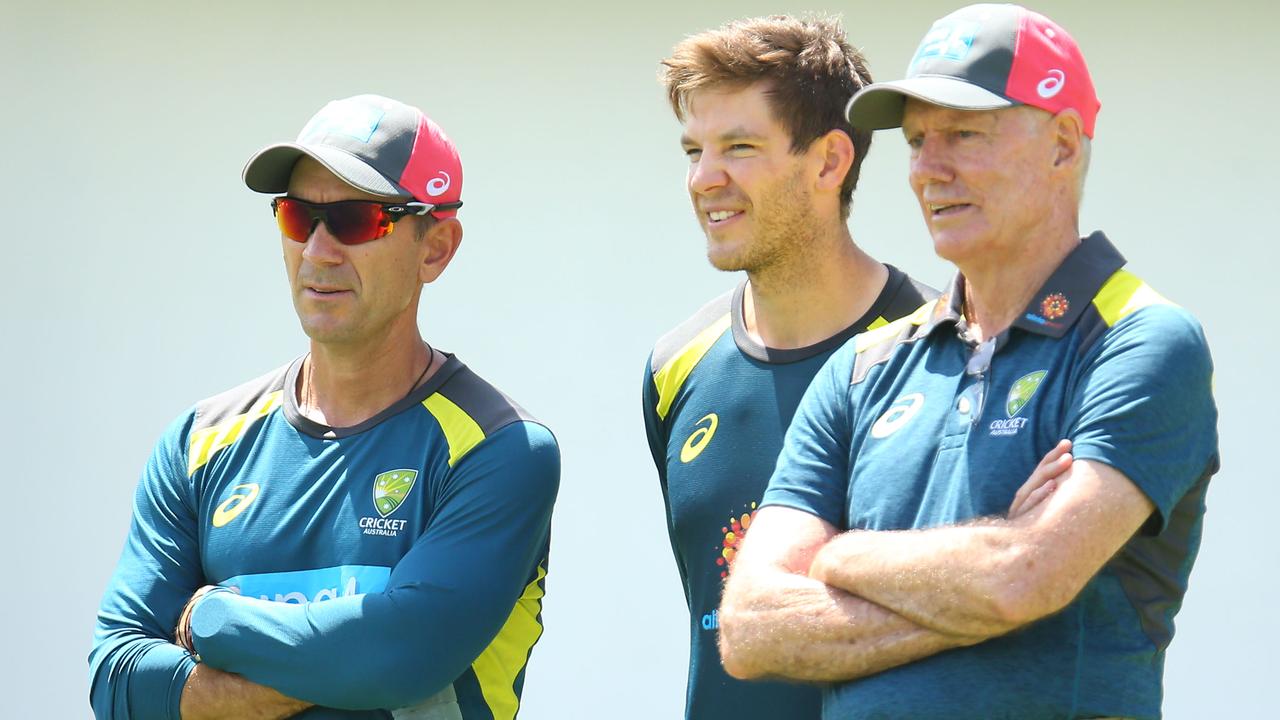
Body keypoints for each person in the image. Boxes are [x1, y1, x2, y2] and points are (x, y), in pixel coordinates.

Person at [718, 5, 1219, 719]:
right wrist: (986, 573)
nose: (929, 169)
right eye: (918, 140)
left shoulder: (1141, 342)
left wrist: (840, 557)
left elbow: (1025, 577)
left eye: (964, 134)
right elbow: (749, 629)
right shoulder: (864, 367)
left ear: (1064, 145)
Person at [88, 94, 560, 720]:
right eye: (297, 216)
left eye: (356, 220)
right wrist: (325, 663)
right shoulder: (199, 439)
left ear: (436, 248)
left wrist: (212, 615)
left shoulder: (499, 448)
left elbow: (398, 656)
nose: (317, 250)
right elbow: (117, 677)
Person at [641, 16, 937, 720]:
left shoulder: (944, 352)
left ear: (830, 162)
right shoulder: (674, 367)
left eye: (738, 148)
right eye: (694, 151)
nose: (703, 180)